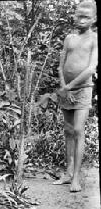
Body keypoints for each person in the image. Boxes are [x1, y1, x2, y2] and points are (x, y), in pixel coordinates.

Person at [53, 1, 97, 192]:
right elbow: (60, 65)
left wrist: (70, 87)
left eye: (85, 17)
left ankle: (76, 178)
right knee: (68, 130)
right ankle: (68, 172)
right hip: (66, 90)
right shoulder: (69, 38)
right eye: (78, 15)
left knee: (79, 130)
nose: (80, 19)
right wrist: (64, 86)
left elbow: (90, 68)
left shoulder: (94, 39)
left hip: (83, 89)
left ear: (94, 19)